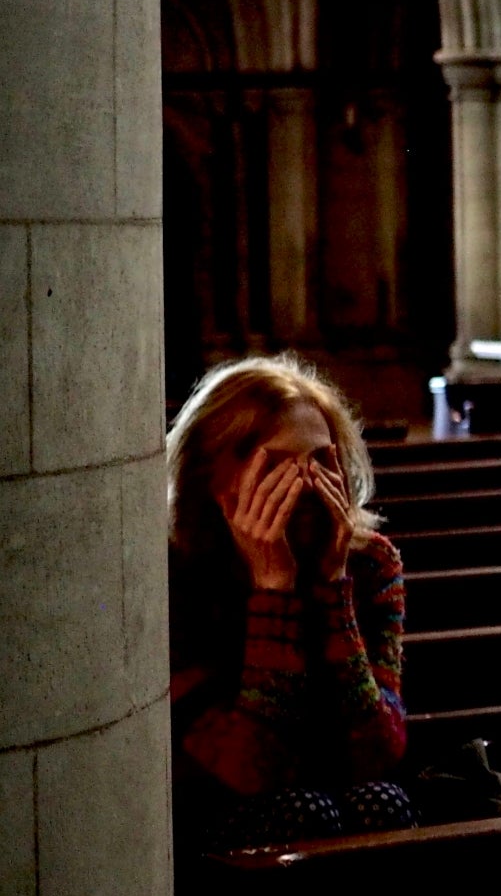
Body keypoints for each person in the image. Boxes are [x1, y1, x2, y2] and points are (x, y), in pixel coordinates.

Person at [167, 353, 414, 851]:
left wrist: (332, 585)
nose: (307, 487)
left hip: (338, 790)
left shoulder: (370, 564)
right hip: (210, 816)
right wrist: (273, 588)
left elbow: (378, 752)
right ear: (217, 480)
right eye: (277, 466)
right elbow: (251, 770)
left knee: (383, 803)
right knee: (302, 815)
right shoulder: (172, 577)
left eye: (322, 461)